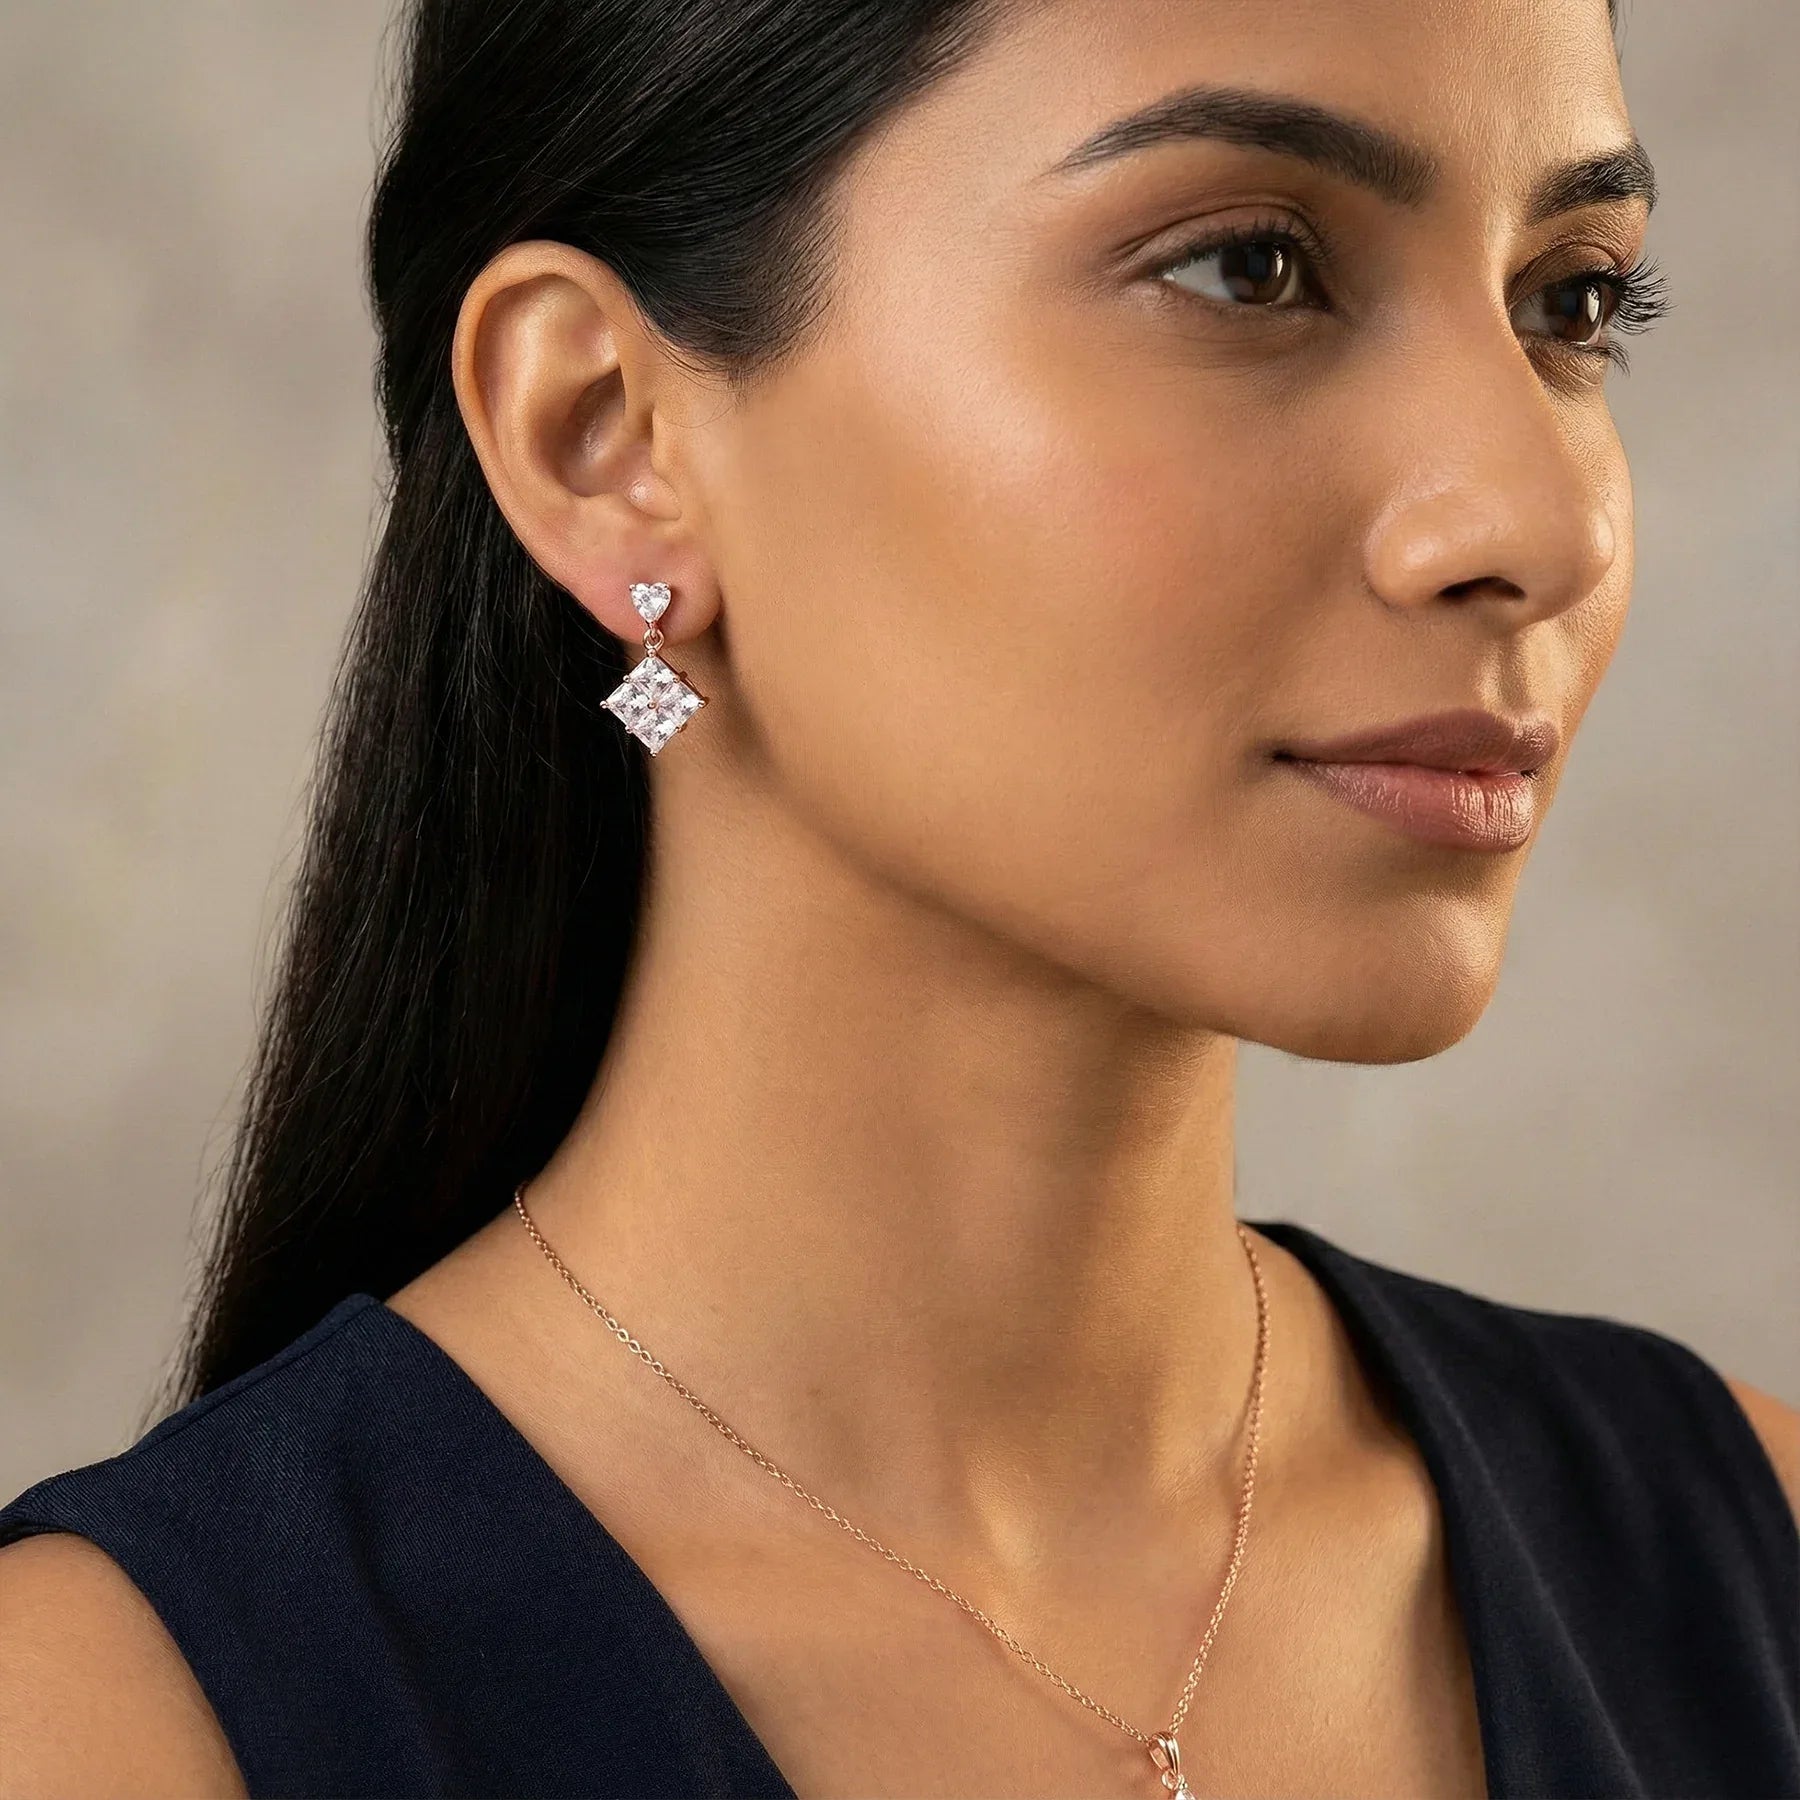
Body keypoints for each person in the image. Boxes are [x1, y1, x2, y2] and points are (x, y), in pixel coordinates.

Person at [2, 0, 1796, 1794]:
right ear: (605, 439)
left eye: (1569, 302)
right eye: (1252, 269)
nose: (1540, 522)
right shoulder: (103, 1725)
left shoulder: (1753, 1566)